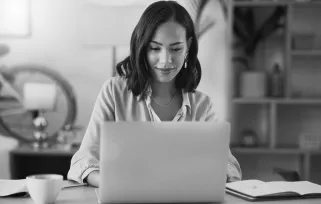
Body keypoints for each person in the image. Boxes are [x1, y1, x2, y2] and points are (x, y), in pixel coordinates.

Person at [67, 0, 241, 187]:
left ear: (188, 47)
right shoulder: (114, 92)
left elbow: (229, 166)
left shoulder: (201, 105)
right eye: (155, 48)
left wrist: (210, 174)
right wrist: (112, 183)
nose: (165, 60)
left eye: (176, 49)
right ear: (142, 47)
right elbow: (82, 161)